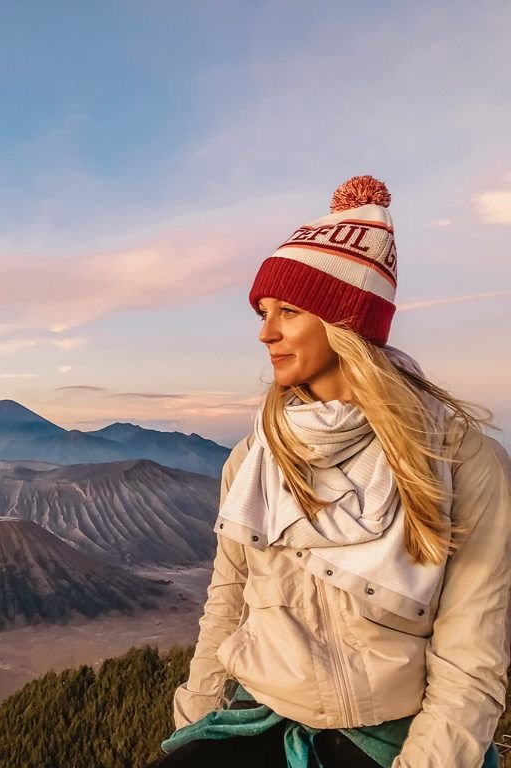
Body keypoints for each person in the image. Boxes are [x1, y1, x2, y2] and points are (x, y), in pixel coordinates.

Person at [148, 176, 511, 768]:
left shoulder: (459, 461)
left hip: (388, 738)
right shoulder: (256, 456)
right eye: (264, 312)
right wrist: (194, 727)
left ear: (347, 323)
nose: (265, 332)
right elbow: (229, 601)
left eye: (288, 311)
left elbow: (472, 653)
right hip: (253, 721)